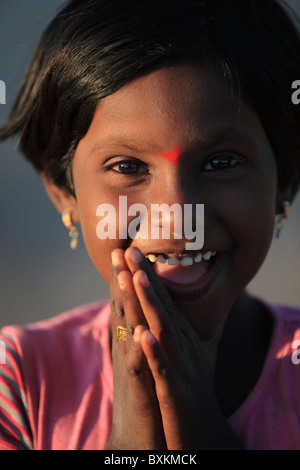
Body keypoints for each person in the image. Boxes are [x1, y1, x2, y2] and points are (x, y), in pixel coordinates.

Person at [0, 0, 300, 451]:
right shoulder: (19, 381)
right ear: (66, 192)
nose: (177, 215)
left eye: (221, 162)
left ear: (285, 179)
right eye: (127, 166)